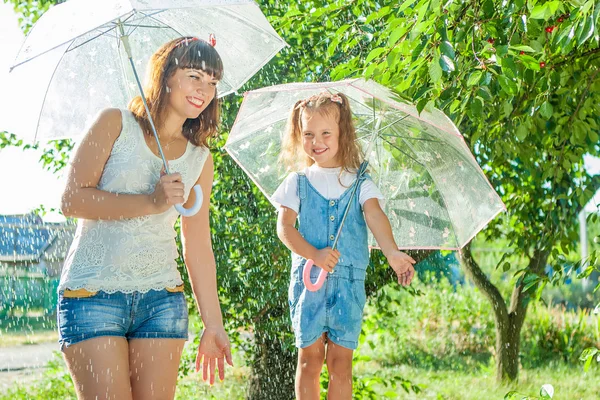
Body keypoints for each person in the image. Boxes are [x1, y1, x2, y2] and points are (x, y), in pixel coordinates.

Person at [57, 36, 232, 399]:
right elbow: (72, 200)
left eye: (213, 82)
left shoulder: (200, 159)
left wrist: (213, 323)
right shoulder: (114, 123)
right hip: (92, 295)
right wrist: (150, 201)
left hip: (161, 299)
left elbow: (197, 244)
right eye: (194, 76)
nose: (205, 90)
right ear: (167, 76)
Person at [272, 92, 416, 399]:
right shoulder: (297, 182)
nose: (316, 141)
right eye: (308, 134)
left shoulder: (360, 182)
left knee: (340, 365)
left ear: (342, 134)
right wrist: (314, 254)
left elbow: (376, 216)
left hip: (347, 286)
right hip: (309, 284)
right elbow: (284, 228)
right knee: (309, 362)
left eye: (326, 133)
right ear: (299, 134)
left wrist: (392, 252)